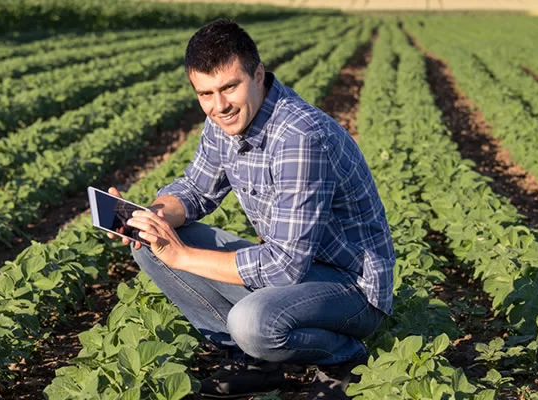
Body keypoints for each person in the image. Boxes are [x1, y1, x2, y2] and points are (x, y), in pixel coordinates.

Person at [107, 18, 395, 399]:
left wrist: (182, 256)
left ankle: (342, 358)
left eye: (229, 87)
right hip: (298, 274)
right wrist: (149, 217)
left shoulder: (300, 137)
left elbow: (284, 266)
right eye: (205, 93)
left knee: (252, 321)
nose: (219, 105)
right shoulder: (224, 121)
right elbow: (196, 189)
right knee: (150, 246)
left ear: (258, 75)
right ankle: (257, 363)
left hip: (350, 288)